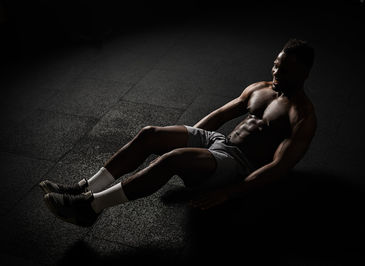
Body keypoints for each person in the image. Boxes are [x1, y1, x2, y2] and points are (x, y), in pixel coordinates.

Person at [40, 38, 317, 227]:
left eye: (286, 69)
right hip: (221, 143)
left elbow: (279, 167)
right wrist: (196, 143)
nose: (277, 71)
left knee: (172, 159)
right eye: (276, 64)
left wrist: (230, 193)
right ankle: (88, 186)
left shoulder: (301, 116)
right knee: (151, 134)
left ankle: (90, 208)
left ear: (304, 74)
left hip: (240, 164)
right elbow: (220, 115)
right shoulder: (261, 88)